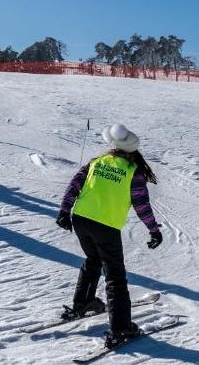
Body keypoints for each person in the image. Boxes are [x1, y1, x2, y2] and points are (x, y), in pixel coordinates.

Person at [55, 123, 163, 347]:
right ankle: (121, 329)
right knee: (115, 276)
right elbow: (141, 204)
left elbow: (74, 185)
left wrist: (64, 211)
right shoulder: (133, 170)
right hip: (105, 226)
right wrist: (154, 230)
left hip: (81, 219)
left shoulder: (97, 162)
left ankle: (83, 303)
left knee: (93, 260)